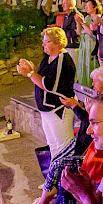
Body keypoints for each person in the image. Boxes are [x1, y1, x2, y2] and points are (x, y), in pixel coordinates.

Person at [17, 27, 77, 158]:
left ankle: (67, 176)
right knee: (53, 146)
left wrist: (30, 73)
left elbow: (49, 85)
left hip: (58, 110)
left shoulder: (63, 60)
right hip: (46, 110)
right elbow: (40, 78)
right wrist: (32, 71)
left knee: (64, 148)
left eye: (47, 42)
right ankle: (56, 177)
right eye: (43, 41)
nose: (43, 44)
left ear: (58, 43)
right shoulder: (48, 58)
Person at [74, 0, 101, 88]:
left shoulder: (97, 18)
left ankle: (92, 87)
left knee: (90, 66)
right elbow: (79, 32)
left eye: (88, 6)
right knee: (83, 66)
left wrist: (82, 23)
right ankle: (83, 87)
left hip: (91, 45)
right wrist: (78, 22)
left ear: (95, 7)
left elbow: (91, 32)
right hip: (84, 45)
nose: (86, 8)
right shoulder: (87, 17)